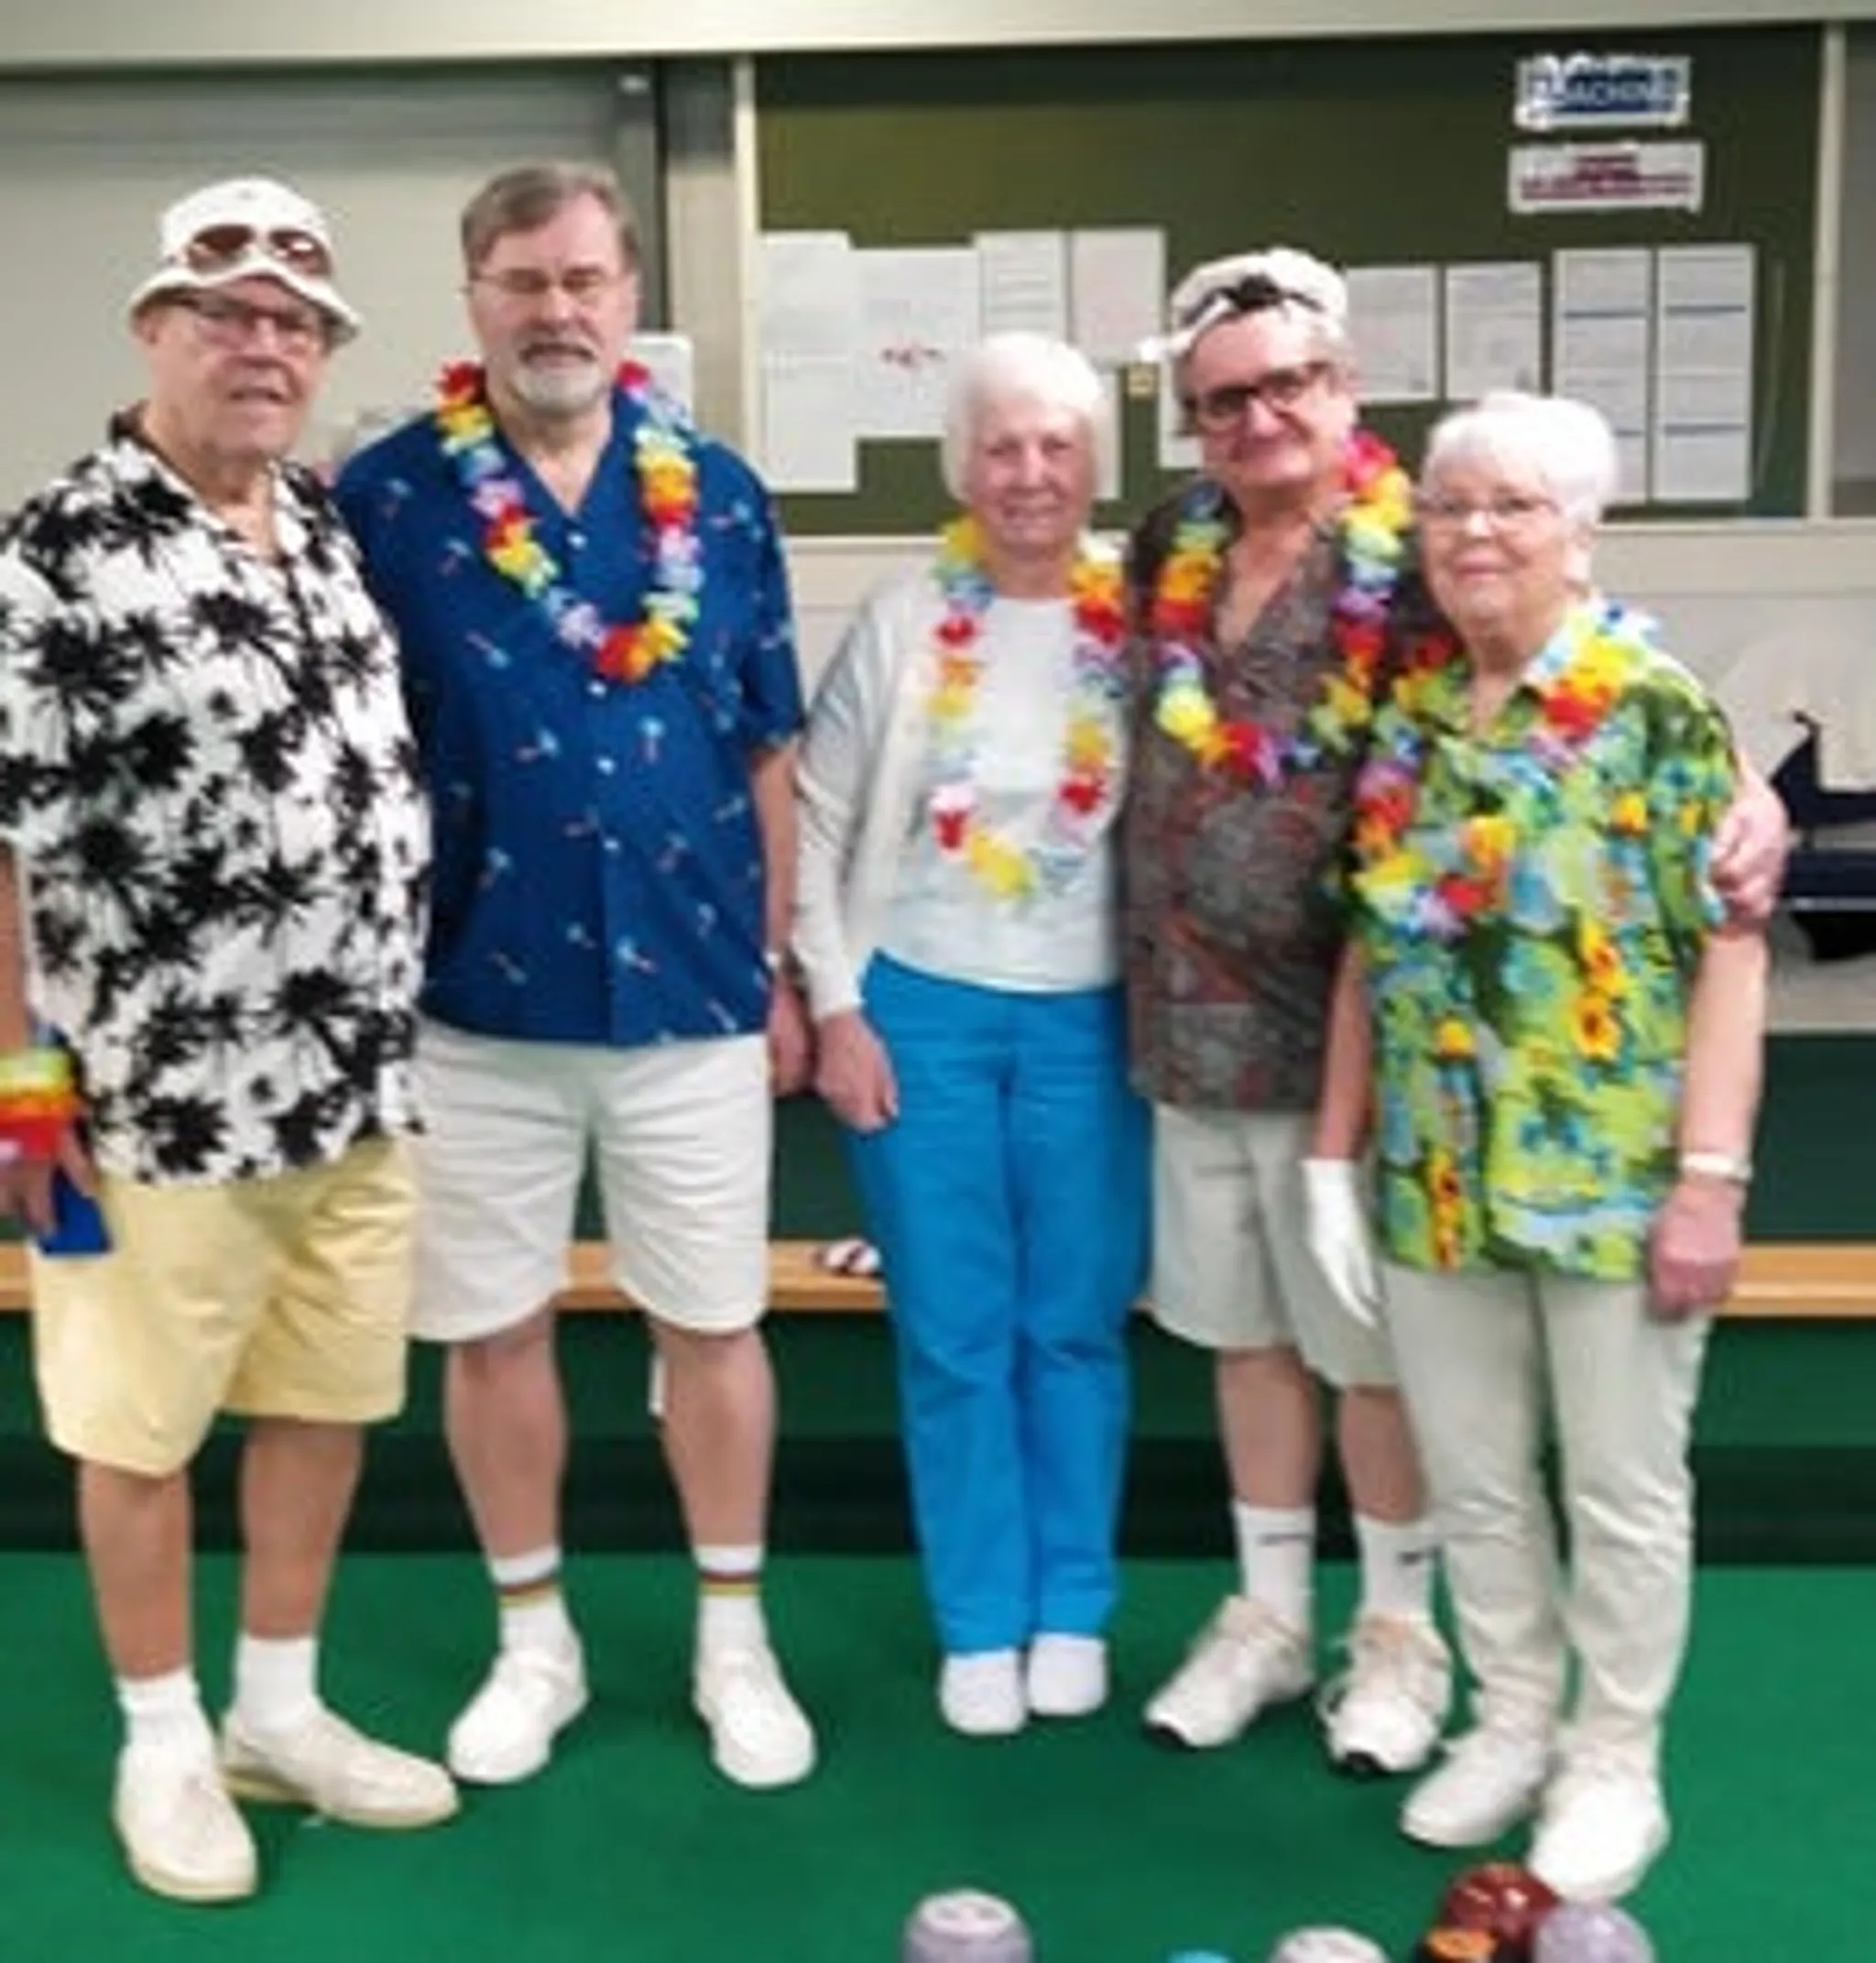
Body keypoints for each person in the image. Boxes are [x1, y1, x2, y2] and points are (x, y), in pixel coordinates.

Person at [1122, 248, 1789, 1777]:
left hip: (1379, 1053)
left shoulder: (1412, 549)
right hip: (1202, 1028)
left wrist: (1748, 792)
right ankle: (1272, 1616)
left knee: (1377, 1367)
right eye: (1223, 401)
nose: (1259, 418)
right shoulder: (1172, 542)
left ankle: (1401, 1641)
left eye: (1290, 385)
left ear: (1344, 387)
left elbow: (1577, 657)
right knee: (1245, 1339)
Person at [0, 175, 454, 1904]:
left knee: (321, 1404)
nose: (266, 347)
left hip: (353, 1087)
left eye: (296, 324)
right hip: (151, 1105)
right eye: (229, 316)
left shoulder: (320, 523)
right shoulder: (56, 549)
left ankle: (276, 1706)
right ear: (155, 330)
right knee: (137, 1433)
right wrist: (18, 1088)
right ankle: (163, 1740)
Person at [334, 162, 815, 1793]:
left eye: (585, 279)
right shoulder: (385, 499)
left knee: (717, 1325)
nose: (558, 310)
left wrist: (780, 968)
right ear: (474, 296)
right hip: (472, 996)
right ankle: (533, 1639)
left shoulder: (720, 494)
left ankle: (733, 1640)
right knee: (492, 1330)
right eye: (526, 281)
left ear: (628, 295)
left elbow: (768, 746)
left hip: (694, 987)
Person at [1306, 390, 1766, 1903]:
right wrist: (1337, 1158)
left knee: (1622, 1488)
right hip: (1438, 1178)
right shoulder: (1416, 720)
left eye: (1514, 505)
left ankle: (1613, 1758)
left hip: (1614, 1181)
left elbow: (1733, 953)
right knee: (1477, 1476)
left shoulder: (1656, 706)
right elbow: (1372, 946)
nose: (1476, 533)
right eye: (1450, 507)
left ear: (1583, 532)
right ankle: (1510, 1717)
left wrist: (1710, 1181)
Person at [795, 333, 1150, 1736]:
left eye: (1058, 445)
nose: (1030, 472)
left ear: (1095, 464)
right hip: (920, 1007)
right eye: (1002, 446)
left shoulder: (1148, 621)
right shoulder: (902, 620)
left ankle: (1072, 1605)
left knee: (1072, 1326)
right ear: (961, 466)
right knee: (953, 1330)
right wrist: (835, 1005)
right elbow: (816, 822)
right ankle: (979, 1617)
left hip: (1095, 1016)